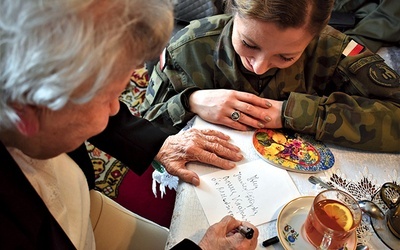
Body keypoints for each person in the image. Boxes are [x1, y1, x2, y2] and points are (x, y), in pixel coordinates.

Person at [0, 0, 259, 249]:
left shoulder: (32, 100)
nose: (117, 108)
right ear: (28, 111)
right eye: (109, 97)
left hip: (84, 207)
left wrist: (159, 143)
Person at [140, 0, 400, 153]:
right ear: (234, 10)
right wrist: (190, 101)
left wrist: (297, 113)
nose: (260, 67)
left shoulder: (334, 50)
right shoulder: (189, 47)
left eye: (286, 57)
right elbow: (144, 127)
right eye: (249, 44)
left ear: (316, 36)